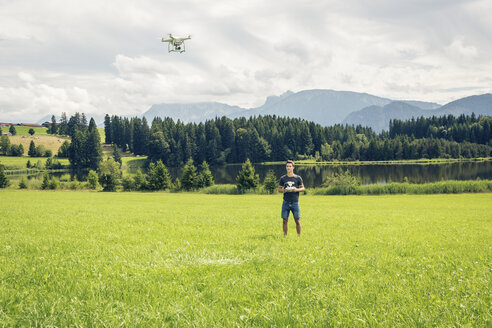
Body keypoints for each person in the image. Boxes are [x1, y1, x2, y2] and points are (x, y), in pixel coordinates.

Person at [278, 160, 305, 236]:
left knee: (297, 220)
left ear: (293, 167)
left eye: (290, 166)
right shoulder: (283, 178)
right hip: (285, 202)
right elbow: (279, 189)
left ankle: (299, 236)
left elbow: (303, 189)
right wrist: (284, 190)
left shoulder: (298, 178)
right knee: (284, 220)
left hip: (295, 202)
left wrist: (296, 189)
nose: (288, 168)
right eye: (287, 166)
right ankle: (285, 236)